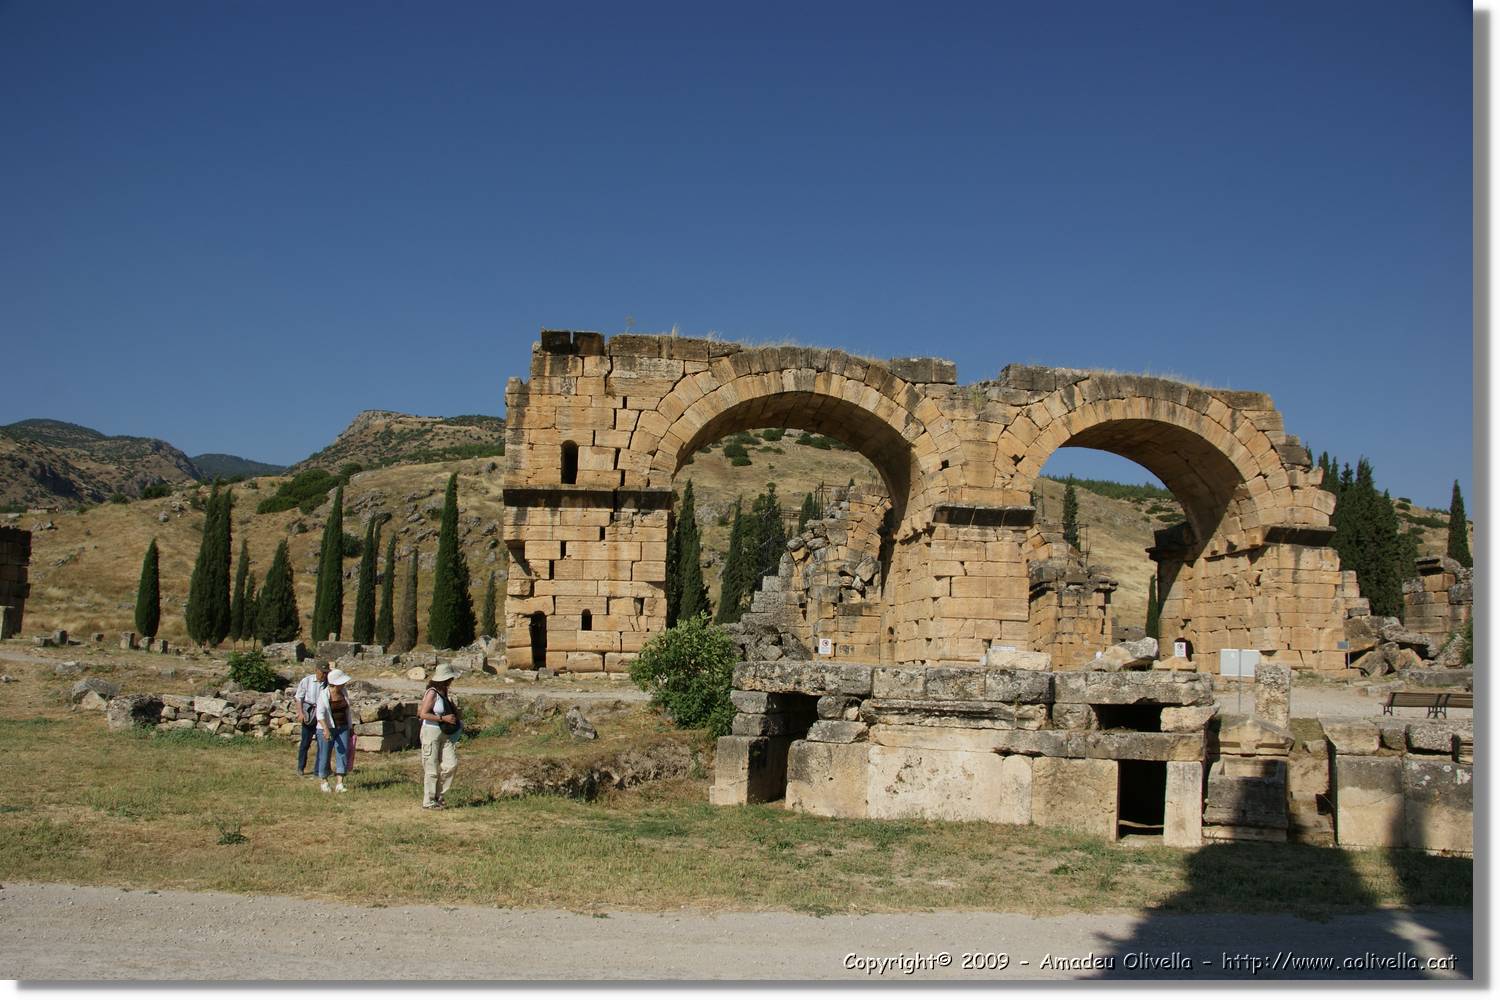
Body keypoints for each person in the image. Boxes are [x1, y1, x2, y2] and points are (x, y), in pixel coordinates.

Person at [418, 664, 462, 809]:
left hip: (445, 733)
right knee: (431, 768)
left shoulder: (444, 691)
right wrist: (443, 718)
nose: (451, 680)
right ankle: (429, 801)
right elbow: (422, 714)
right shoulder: (432, 693)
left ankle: (439, 795)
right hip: (431, 732)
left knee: (451, 764)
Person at [316, 668, 355, 793]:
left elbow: (347, 711)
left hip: (342, 727)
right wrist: (326, 730)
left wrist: (350, 727)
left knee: (342, 753)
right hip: (327, 728)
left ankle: (340, 783)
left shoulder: (344, 692)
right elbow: (320, 715)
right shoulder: (324, 694)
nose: (344, 684)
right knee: (325, 754)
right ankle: (324, 781)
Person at [292, 661, 329, 778]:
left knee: (322, 744)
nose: (324, 675)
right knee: (305, 743)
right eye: (322, 673)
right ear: (316, 671)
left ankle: (319, 770)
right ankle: (300, 767)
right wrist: (300, 713)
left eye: (326, 673)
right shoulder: (307, 681)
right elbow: (299, 698)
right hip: (309, 713)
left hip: (322, 715)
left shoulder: (328, 683)